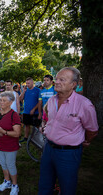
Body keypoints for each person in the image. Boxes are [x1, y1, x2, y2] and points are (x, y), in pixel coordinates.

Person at [38, 67, 98, 195]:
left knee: (67, 188)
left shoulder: (84, 104)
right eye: (57, 79)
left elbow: (92, 130)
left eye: (62, 79)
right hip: (48, 149)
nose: (57, 82)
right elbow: (50, 120)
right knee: (44, 186)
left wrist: (86, 140)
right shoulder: (51, 100)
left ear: (73, 84)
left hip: (68, 154)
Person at [0, 91, 21, 195]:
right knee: (3, 164)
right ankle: (7, 181)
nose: (1, 102)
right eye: (0, 100)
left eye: (4, 100)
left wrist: (4, 132)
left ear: (11, 102)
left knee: (10, 165)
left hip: (10, 146)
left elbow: (17, 133)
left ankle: (14, 185)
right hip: (0, 145)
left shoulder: (14, 115)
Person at [19, 77, 41, 142]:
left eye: (28, 83)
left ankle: (37, 139)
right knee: (26, 125)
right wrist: (23, 91)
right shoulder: (26, 90)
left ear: (32, 83)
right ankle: (26, 138)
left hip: (35, 112)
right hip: (26, 111)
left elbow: (39, 102)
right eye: (26, 83)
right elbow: (20, 99)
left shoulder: (38, 90)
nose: (27, 84)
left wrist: (34, 109)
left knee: (36, 126)